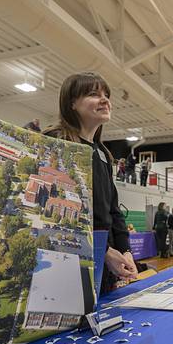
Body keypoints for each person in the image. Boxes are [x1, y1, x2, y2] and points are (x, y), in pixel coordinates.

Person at [43, 72, 137, 294]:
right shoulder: (57, 142)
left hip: (104, 262)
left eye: (106, 95)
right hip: (70, 260)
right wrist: (103, 251)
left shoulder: (103, 153)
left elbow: (113, 211)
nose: (105, 100)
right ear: (72, 103)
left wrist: (125, 250)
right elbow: (60, 211)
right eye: (94, 94)